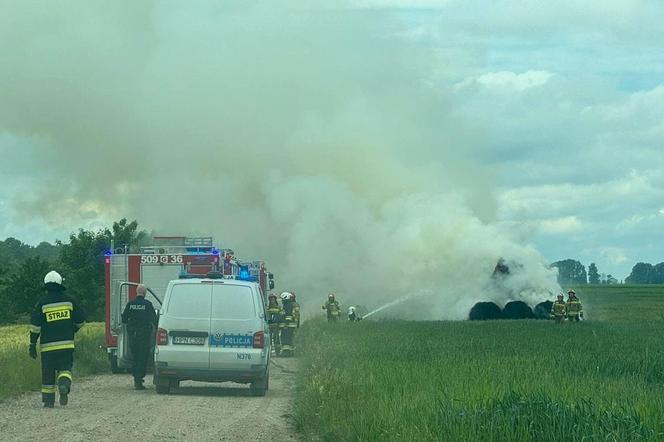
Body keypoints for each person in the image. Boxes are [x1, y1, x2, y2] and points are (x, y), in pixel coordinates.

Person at [29, 271, 86, 408]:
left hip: (47, 347)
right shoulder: (69, 300)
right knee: (65, 368)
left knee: (48, 372)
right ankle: (64, 384)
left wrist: (32, 343)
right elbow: (81, 319)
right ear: (61, 283)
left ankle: (48, 401)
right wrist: (73, 328)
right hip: (66, 345)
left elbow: (35, 326)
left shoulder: (41, 303)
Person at [121, 284, 158, 390]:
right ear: (145, 293)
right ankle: (138, 380)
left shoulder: (130, 304)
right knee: (142, 358)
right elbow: (154, 320)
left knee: (135, 357)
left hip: (133, 336)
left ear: (136, 292)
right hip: (144, 336)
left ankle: (136, 379)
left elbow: (124, 319)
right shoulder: (148, 305)